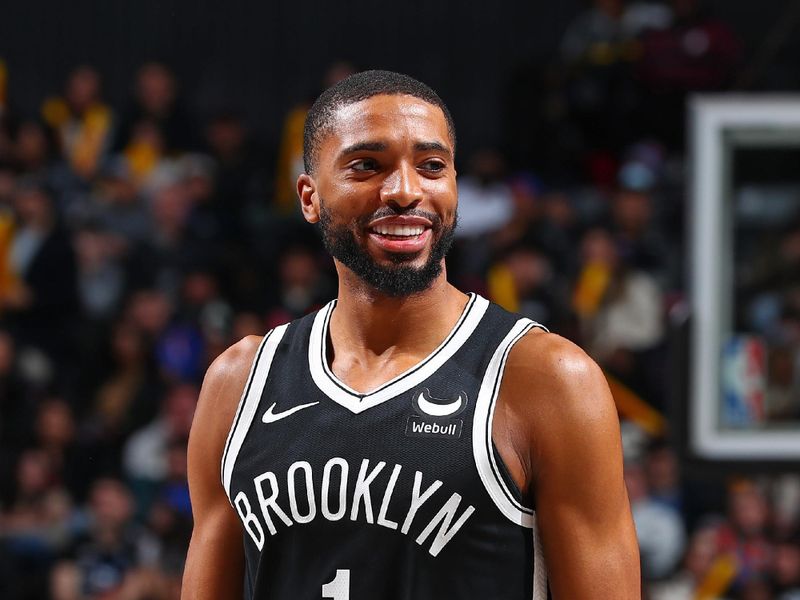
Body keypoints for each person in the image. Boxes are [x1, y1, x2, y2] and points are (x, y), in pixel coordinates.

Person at [182, 70, 640, 599]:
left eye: (431, 166)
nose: (405, 191)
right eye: (367, 166)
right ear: (309, 196)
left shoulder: (545, 378)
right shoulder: (239, 384)